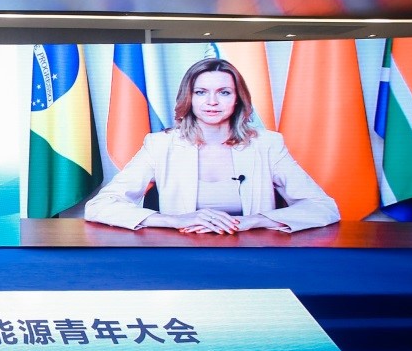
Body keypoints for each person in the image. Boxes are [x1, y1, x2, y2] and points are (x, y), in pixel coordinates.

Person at [84, 57, 339, 234]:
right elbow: (99, 206)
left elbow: (324, 207)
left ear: (238, 99)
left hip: (252, 254)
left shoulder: (268, 144)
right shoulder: (160, 145)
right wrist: (174, 220)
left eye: (224, 92)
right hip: (182, 254)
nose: (212, 102)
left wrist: (254, 221)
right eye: (201, 92)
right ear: (189, 98)